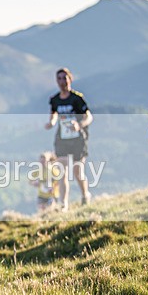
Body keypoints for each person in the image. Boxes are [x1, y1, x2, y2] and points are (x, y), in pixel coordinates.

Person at [45, 68, 93, 210]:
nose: (62, 81)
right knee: (62, 172)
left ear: (70, 79)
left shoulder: (77, 98)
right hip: (62, 139)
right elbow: (53, 114)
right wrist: (51, 123)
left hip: (78, 139)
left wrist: (79, 125)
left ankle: (85, 195)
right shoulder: (55, 100)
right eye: (59, 78)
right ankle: (63, 204)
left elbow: (88, 117)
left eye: (64, 78)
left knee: (77, 172)